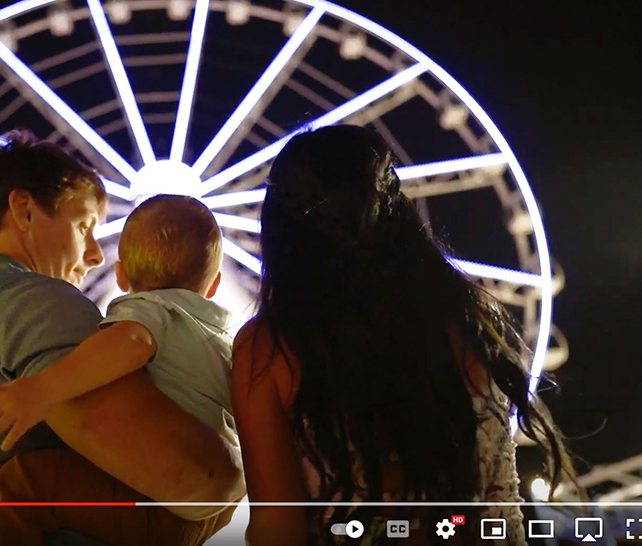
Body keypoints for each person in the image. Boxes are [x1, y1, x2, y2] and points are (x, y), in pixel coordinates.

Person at [0, 131, 243, 546]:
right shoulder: (35, 306)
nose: (96, 256)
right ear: (24, 210)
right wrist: (248, 462)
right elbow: (196, 479)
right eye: (84, 226)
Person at [230, 125, 579, 545]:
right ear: (396, 208)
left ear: (281, 228)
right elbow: (500, 507)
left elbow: (277, 531)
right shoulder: (466, 317)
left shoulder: (269, 349)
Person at [0, 194, 240, 546]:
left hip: (161, 508)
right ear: (213, 286)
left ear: (120, 276)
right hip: (215, 512)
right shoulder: (224, 336)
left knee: (24, 483)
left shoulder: (149, 310)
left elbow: (132, 343)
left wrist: (41, 389)